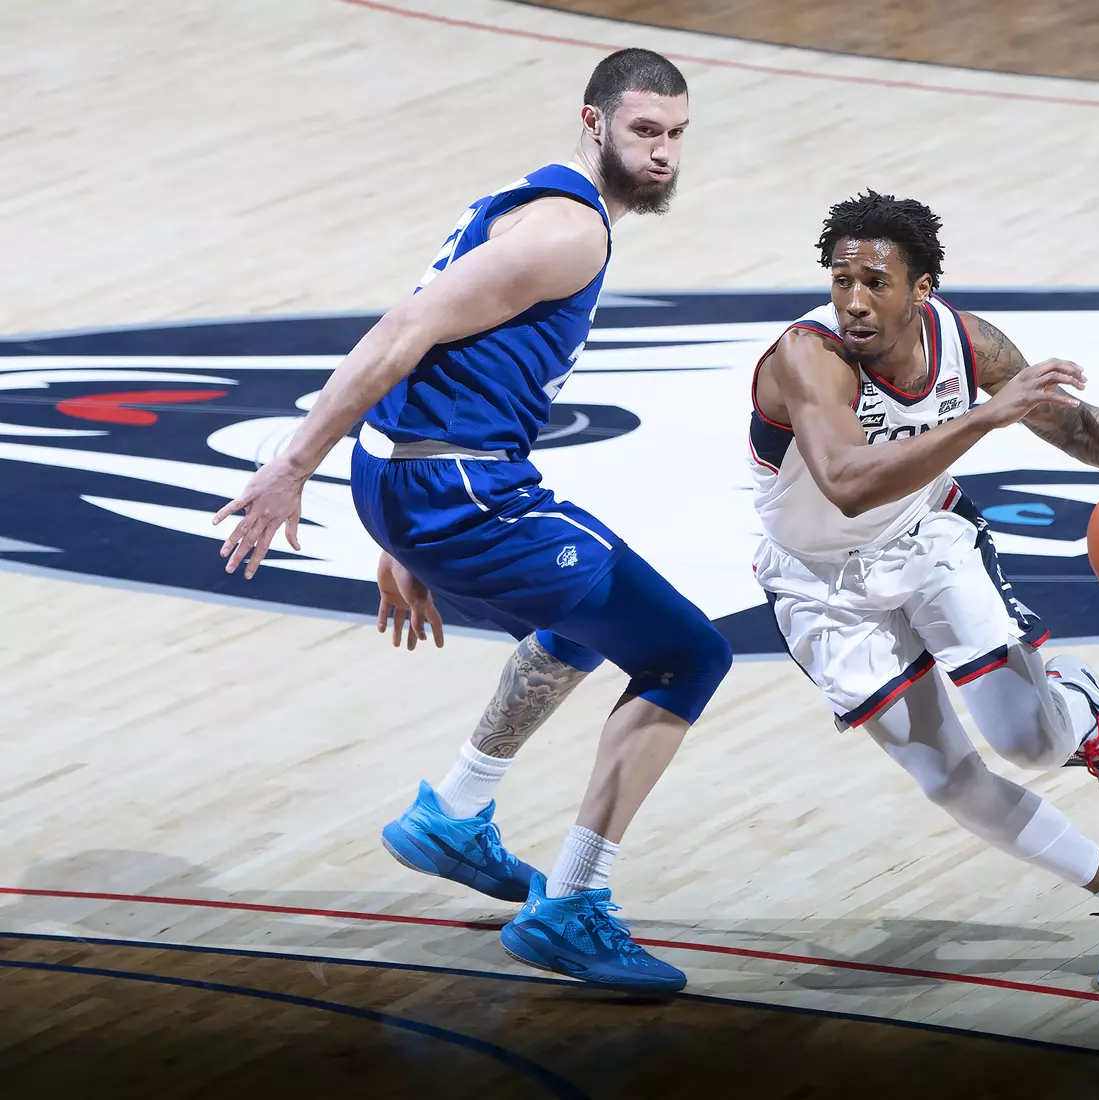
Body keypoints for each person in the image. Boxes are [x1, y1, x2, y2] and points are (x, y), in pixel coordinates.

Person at [213, 48, 729, 993]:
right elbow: (400, 332)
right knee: (688, 654)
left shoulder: (524, 200)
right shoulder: (567, 235)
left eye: (676, 136)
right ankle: (573, 906)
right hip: (454, 485)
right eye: (645, 132)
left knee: (582, 613)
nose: (663, 154)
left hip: (419, 478)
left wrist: (393, 519)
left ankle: (455, 812)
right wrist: (293, 467)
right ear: (594, 122)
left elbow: (434, 355)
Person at [748, 190, 1099, 994]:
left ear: (922, 288)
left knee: (1029, 744)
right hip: (819, 584)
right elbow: (843, 483)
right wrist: (984, 420)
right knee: (947, 778)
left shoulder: (966, 344)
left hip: (928, 541)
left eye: (876, 282)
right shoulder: (809, 356)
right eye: (841, 281)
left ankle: (1081, 716)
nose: (855, 302)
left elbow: (1071, 427)